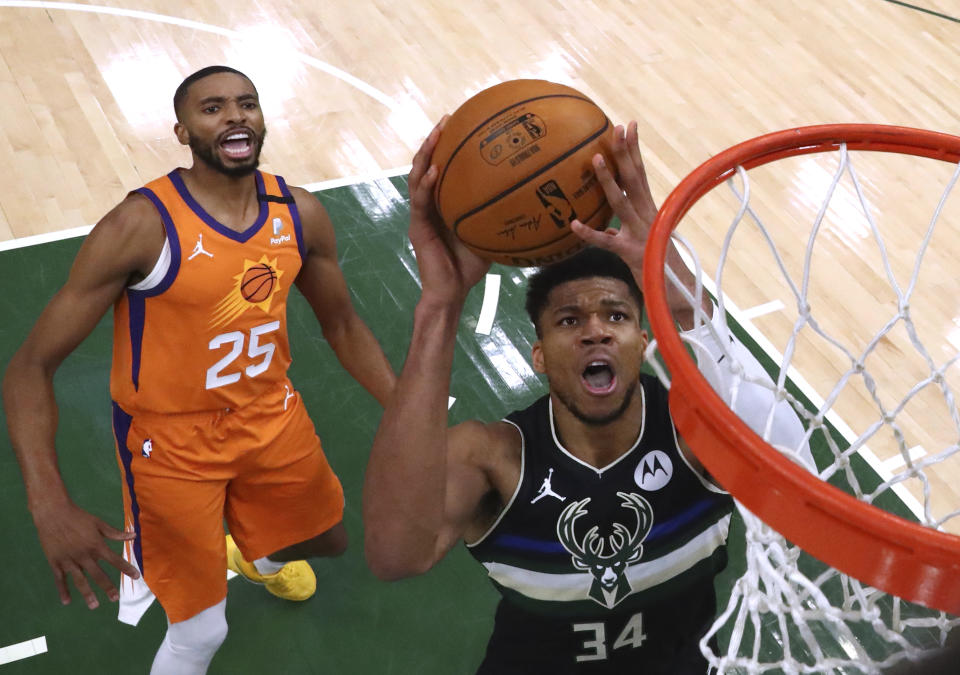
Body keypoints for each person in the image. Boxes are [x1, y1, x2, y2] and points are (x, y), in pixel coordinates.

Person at [363, 119, 808, 673]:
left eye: (616, 315)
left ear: (643, 342)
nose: (595, 330)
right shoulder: (495, 459)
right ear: (540, 356)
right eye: (569, 319)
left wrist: (688, 304)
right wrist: (441, 305)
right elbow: (393, 555)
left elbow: (799, 471)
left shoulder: (695, 432)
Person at [3, 65, 396, 674]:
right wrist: (49, 503)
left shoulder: (299, 213)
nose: (235, 115)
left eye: (247, 103)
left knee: (327, 540)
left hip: (270, 415)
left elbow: (342, 325)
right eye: (213, 109)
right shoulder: (141, 225)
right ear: (183, 131)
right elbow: (29, 368)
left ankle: (248, 554)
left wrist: (406, 410)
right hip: (171, 445)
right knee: (201, 631)